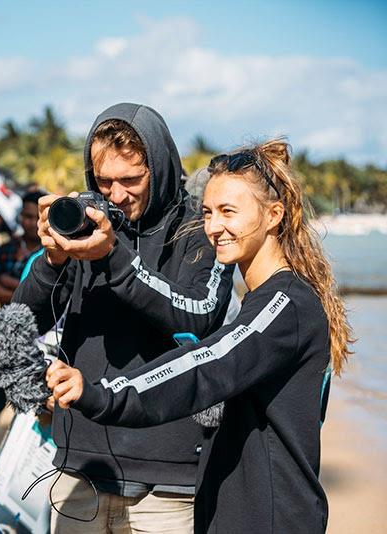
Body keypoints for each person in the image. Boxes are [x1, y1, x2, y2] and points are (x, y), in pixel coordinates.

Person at [47, 138, 353, 534]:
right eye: (207, 212)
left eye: (228, 212)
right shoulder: (266, 299)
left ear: (274, 215)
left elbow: (208, 365)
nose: (213, 227)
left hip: (273, 518)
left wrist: (101, 394)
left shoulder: (285, 304)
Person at [12, 103, 235, 532]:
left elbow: (198, 317)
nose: (116, 195)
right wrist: (52, 262)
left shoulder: (199, 228)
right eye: (104, 181)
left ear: (161, 167)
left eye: (132, 180)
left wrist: (114, 258)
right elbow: (18, 326)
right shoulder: (83, 227)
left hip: (169, 483)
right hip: (80, 468)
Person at [0, 189, 44, 446]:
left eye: (34, 217)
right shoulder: (5, 249)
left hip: (34, 348)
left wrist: (5, 284)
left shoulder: (52, 256)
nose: (29, 222)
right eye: (25, 216)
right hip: (2, 342)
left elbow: (43, 299)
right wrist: (22, 289)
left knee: (24, 421)